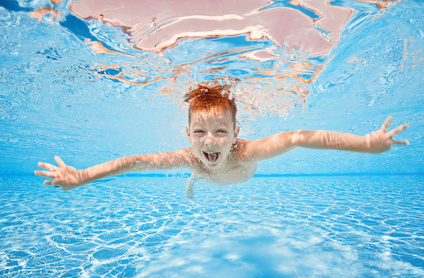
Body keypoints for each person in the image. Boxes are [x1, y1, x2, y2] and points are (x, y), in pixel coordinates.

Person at [34, 83, 409, 199]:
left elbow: (297, 136)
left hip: (242, 174)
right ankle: (194, 181)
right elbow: (132, 162)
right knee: (199, 168)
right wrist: (82, 176)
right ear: (187, 135)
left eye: (220, 132)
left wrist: (365, 143)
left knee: (204, 167)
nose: (209, 139)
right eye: (199, 132)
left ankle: (197, 179)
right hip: (204, 171)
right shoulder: (190, 155)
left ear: (235, 134)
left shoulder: (248, 151)